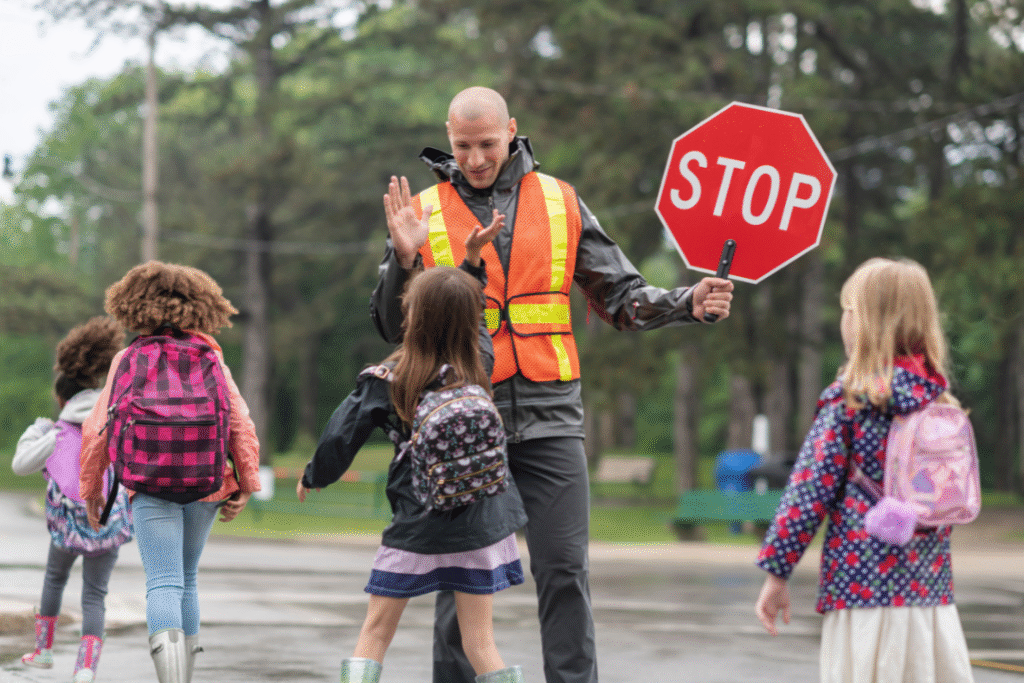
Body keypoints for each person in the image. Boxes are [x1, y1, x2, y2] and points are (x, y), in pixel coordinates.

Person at [370, 85, 734, 683]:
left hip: (551, 414)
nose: (477, 159)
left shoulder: (561, 201)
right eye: (463, 146)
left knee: (565, 569)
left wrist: (687, 300)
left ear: (511, 130)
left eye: (487, 144)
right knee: (460, 580)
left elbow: (620, 296)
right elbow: (391, 323)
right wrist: (403, 259)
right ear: (449, 136)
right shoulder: (426, 210)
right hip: (463, 417)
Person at [299, 206, 528, 683]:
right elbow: (471, 313)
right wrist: (471, 261)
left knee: (376, 633)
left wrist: (314, 476)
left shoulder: (388, 379)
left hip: (417, 524)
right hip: (480, 524)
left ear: (411, 318)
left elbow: (344, 433)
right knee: (482, 644)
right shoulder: (478, 362)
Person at [754, 257, 975, 683]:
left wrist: (776, 572)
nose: (844, 320)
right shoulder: (939, 404)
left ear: (864, 322)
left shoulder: (850, 402)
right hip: (928, 595)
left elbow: (807, 493)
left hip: (862, 589)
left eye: (848, 310)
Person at [78, 261, 262, 683]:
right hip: (206, 483)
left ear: (132, 306)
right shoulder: (210, 358)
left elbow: (98, 428)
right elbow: (239, 423)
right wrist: (246, 482)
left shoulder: (128, 358)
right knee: (188, 579)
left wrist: (92, 488)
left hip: (148, 483)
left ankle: (170, 679)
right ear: (200, 306)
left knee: (163, 581)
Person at [12, 316, 132, 683]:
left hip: (66, 526)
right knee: (95, 595)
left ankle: (44, 651)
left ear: (61, 398)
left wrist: (46, 433)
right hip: (108, 523)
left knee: (54, 578)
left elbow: (20, 466)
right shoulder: (115, 422)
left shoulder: (54, 432)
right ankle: (85, 669)